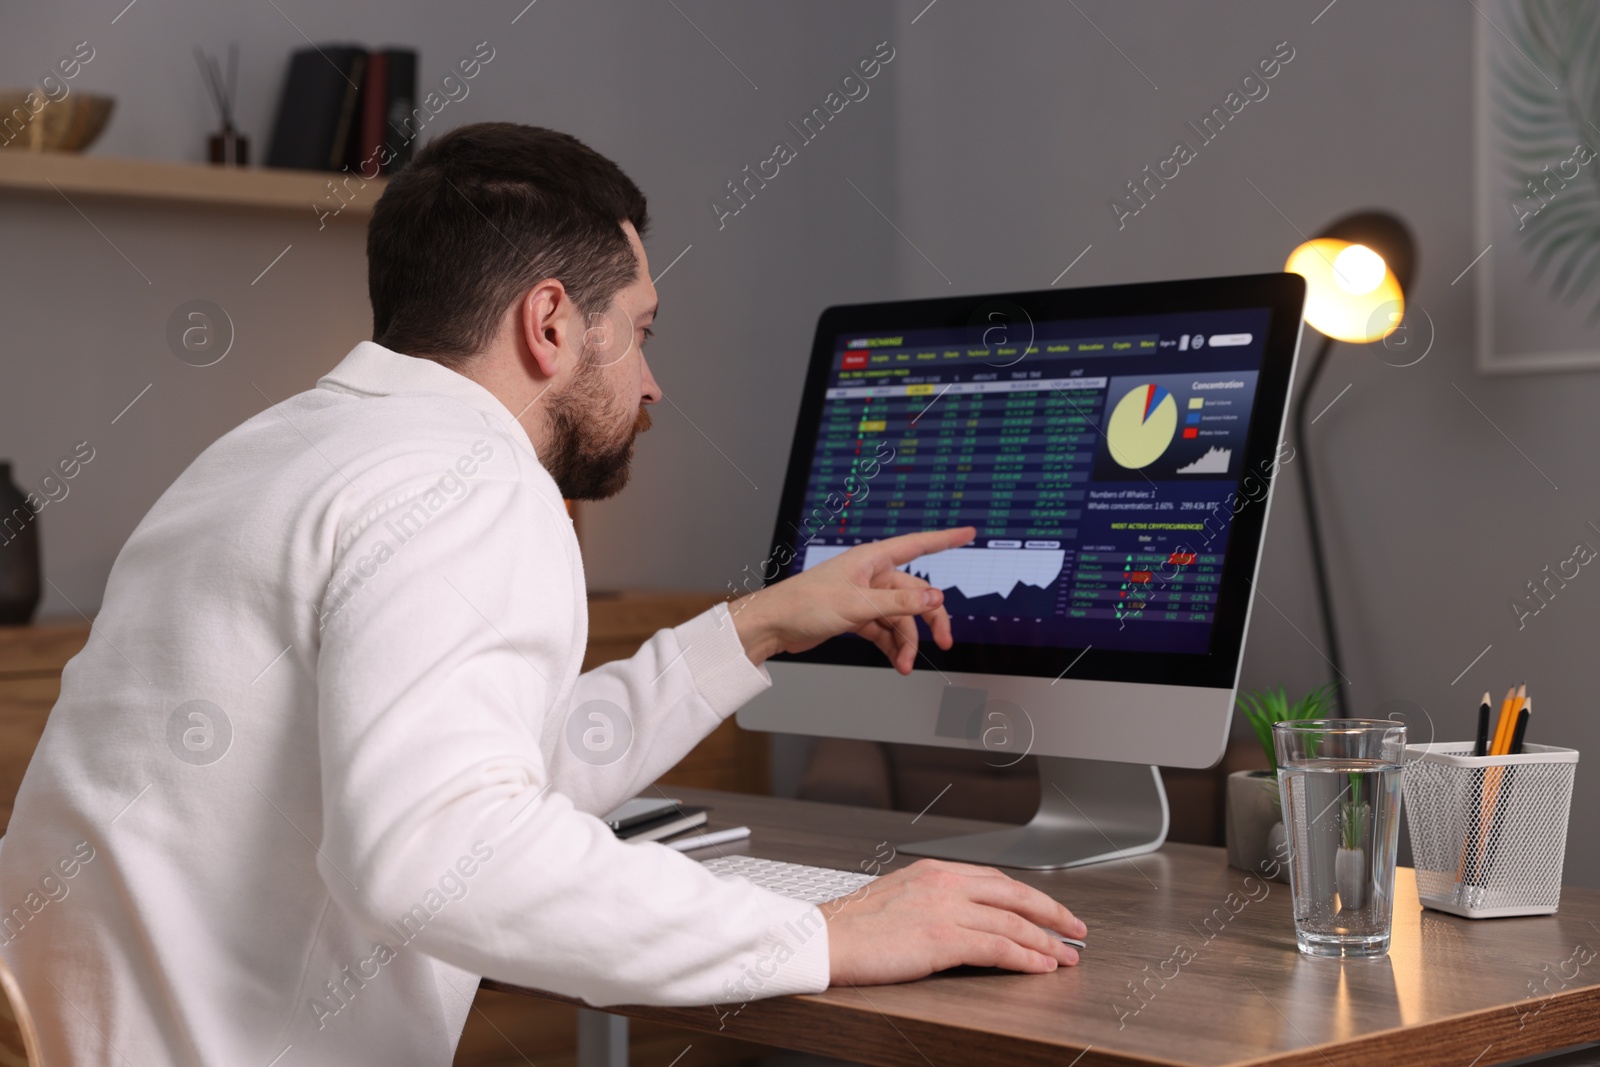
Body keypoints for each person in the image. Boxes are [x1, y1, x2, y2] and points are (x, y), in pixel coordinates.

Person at [0, 123, 1085, 1066]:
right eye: (643, 329)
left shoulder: (269, 454)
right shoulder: (473, 483)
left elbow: (457, 768)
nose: (654, 382)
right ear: (553, 322)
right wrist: (833, 932)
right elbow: (438, 850)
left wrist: (753, 626)